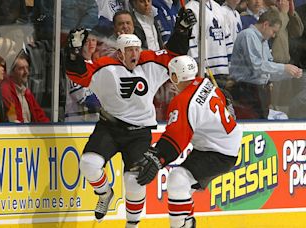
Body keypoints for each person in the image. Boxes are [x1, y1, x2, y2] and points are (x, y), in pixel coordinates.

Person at [65, 8, 196, 227]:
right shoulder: (106, 68)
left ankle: (132, 225)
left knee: (134, 179)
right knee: (88, 164)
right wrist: (72, 53)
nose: (135, 53)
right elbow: (78, 73)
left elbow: (173, 55)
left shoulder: (149, 62)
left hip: (139, 133)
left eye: (136, 48)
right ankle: (104, 193)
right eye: (129, 49)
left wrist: (181, 31)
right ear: (119, 52)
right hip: (110, 128)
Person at [134, 55, 243, 228]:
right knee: (182, 186)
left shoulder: (182, 101)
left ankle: (183, 225)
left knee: (178, 180)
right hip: (222, 144)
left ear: (175, 77)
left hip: (219, 152)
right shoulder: (204, 82)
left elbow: (175, 140)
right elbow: (224, 97)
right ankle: (187, 223)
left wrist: (158, 157)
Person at [229, 8, 303, 119]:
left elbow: (267, 69)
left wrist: (289, 73)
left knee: (261, 121)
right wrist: (284, 68)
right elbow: (257, 65)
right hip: (245, 90)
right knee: (250, 124)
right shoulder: (248, 36)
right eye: (273, 31)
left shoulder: (263, 41)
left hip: (259, 91)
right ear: (266, 24)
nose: (273, 36)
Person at [185, 0, 234, 88]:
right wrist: (201, 70)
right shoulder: (190, 8)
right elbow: (192, 43)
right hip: (207, 71)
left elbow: (226, 37)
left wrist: (231, 65)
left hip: (223, 69)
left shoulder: (217, 7)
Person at [1, 54, 49, 123]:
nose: (26, 72)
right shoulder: (6, 91)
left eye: (27, 68)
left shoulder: (26, 92)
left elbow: (40, 116)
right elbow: (12, 119)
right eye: (21, 68)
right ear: (11, 72)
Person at [65, 31, 101, 122]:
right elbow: (83, 99)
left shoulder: (96, 66)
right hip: (76, 123)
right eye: (87, 41)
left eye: (93, 40)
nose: (91, 43)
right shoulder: (74, 67)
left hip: (94, 122)